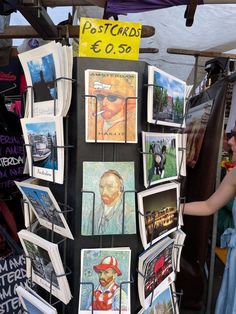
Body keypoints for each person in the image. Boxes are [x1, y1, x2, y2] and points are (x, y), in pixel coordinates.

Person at [182, 126, 236, 314]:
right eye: (231, 136)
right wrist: (175, 209)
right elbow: (209, 206)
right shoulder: (235, 174)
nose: (230, 142)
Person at [87, 72, 137, 142]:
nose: (104, 103)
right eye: (100, 97)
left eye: (112, 97)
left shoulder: (130, 129)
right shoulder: (94, 126)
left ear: (124, 101)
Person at [86, 169, 136, 235]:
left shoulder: (129, 214)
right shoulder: (93, 214)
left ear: (121, 189)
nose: (104, 192)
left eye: (109, 186)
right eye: (101, 187)